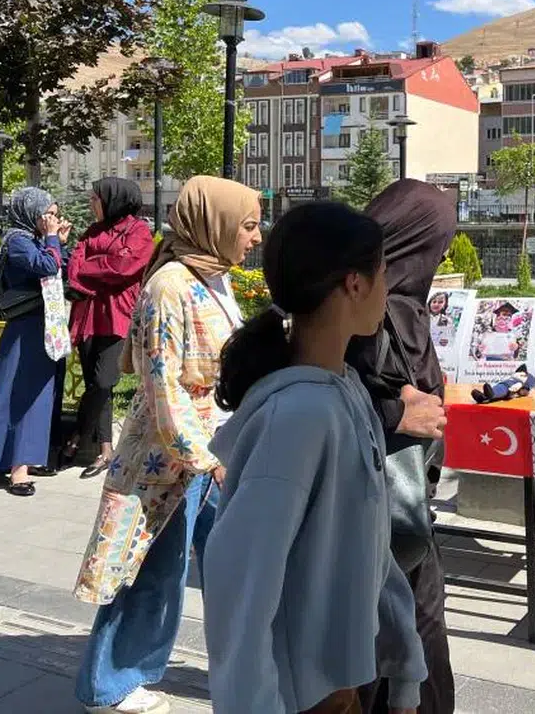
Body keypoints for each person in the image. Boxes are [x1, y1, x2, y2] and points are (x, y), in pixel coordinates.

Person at [203, 201, 426, 714]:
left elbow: (373, 548)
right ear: (354, 283)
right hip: (298, 697)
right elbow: (241, 584)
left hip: (339, 687)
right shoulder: (299, 415)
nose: (386, 289)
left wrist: (405, 669)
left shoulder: (345, 391)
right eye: (383, 272)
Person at [73, 176, 260, 714]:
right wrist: (201, 458)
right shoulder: (171, 285)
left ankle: (230, 664)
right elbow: (163, 383)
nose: (254, 237)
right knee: (148, 571)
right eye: (247, 226)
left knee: (230, 564)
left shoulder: (211, 276)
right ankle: (108, 685)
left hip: (209, 452)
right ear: (215, 223)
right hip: (170, 459)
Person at [347, 179, 455, 714]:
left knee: (398, 627)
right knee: (411, 623)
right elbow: (336, 392)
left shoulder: (385, 299)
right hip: (384, 508)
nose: (444, 253)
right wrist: (399, 411)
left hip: (398, 505)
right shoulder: (374, 306)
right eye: (440, 242)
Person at [0, 187, 71, 497]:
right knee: (19, 395)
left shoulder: (32, 240)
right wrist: (53, 240)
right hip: (25, 331)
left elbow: (60, 270)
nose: (52, 221)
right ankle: (17, 470)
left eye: (54, 216)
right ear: (32, 212)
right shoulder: (17, 241)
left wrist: (59, 242)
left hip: (41, 328)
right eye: (49, 215)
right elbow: (47, 266)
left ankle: (16, 461)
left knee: (33, 396)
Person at [62, 178, 155, 478]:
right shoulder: (91, 231)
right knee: (94, 384)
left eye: (95, 199)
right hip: (88, 315)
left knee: (104, 381)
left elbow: (125, 268)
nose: (91, 204)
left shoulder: (139, 231)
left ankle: (76, 436)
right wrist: (103, 265)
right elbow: (75, 268)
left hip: (117, 316)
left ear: (113, 200)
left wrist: (94, 267)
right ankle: (105, 451)